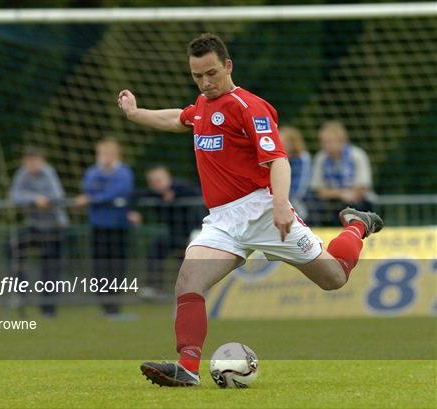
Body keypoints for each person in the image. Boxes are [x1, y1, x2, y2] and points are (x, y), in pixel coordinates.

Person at [117, 33, 383, 387]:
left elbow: (278, 161)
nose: (206, 82)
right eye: (198, 76)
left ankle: (355, 225)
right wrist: (135, 113)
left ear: (227, 65)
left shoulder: (250, 107)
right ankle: (188, 367)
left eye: (212, 73)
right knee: (188, 281)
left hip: (263, 211)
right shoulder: (202, 106)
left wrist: (280, 206)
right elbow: (177, 118)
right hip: (223, 221)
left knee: (334, 278)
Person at [75, 138, 135, 319]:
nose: (104, 157)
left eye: (107, 153)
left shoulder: (124, 173)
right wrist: (99, 195)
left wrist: (95, 198)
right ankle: (104, 305)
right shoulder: (93, 172)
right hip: (98, 226)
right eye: (101, 153)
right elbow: (88, 188)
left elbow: (118, 191)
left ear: (116, 154)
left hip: (118, 226)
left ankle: (115, 305)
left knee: (117, 266)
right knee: (100, 266)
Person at [10, 146, 68, 317]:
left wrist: (45, 199)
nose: (32, 165)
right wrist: (35, 199)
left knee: (50, 267)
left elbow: (58, 196)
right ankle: (20, 295)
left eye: (35, 161)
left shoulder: (49, 173)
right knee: (14, 248)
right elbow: (15, 195)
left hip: (54, 226)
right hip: (34, 225)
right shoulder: (22, 173)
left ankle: (48, 308)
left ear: (42, 161)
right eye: (28, 162)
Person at [130, 165, 203, 297]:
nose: (155, 184)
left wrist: (174, 192)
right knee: (156, 247)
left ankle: (195, 288)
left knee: (189, 260)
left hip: (194, 233)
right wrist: (133, 211)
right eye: (152, 181)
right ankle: (152, 287)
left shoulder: (182, 187)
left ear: (168, 178)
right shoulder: (154, 194)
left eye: (158, 180)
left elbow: (195, 192)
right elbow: (134, 196)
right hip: (173, 235)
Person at [311, 120, 374, 226]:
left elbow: (363, 187)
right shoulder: (321, 158)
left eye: (329, 142)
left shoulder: (357, 155)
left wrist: (348, 195)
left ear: (342, 141)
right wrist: (341, 194)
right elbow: (319, 190)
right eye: (323, 142)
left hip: (359, 203)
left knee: (354, 207)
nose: (326, 145)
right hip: (331, 203)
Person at [279, 126, 312, 220]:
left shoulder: (302, 158)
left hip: (300, 199)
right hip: (282, 199)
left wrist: (285, 200)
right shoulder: (278, 159)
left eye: (284, 142)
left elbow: (301, 186)